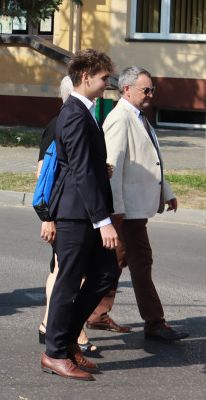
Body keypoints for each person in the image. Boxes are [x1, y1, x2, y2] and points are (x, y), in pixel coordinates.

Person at [40, 49, 120, 381]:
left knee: (104, 274)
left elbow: (82, 165)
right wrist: (104, 221)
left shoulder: (83, 112)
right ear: (86, 77)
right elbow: (80, 172)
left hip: (84, 212)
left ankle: (68, 340)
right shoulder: (72, 113)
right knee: (68, 282)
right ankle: (54, 353)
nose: (106, 85)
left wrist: (101, 170)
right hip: (75, 216)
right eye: (103, 79)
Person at [93, 66, 188, 342]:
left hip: (132, 208)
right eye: (145, 90)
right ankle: (155, 323)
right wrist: (117, 209)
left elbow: (151, 162)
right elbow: (112, 167)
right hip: (127, 211)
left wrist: (166, 191)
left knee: (115, 262)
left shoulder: (138, 116)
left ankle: (95, 313)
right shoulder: (120, 119)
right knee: (141, 261)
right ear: (127, 90)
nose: (150, 95)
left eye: (152, 90)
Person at [38, 76, 96, 353]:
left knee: (64, 271)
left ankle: (50, 324)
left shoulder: (72, 117)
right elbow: (45, 174)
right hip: (61, 211)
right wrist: (47, 218)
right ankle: (65, 331)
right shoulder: (60, 123)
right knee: (63, 273)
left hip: (65, 209)